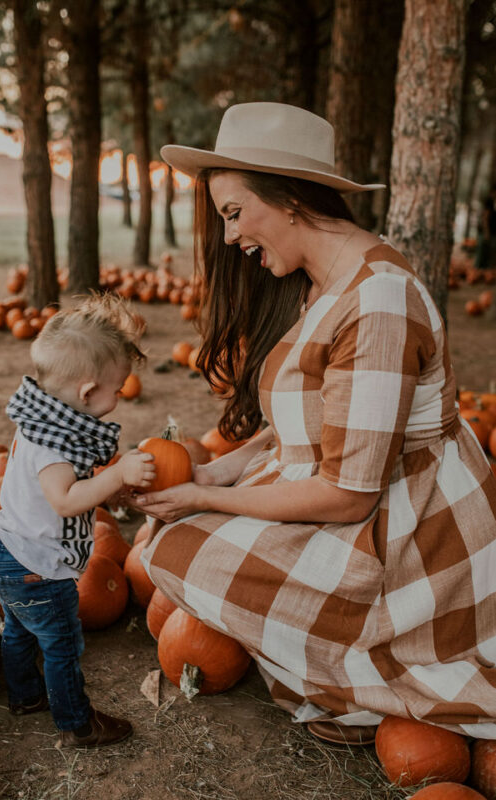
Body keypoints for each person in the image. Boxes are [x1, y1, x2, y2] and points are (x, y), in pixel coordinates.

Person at [135, 102, 496, 745]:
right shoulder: (321, 281)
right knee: (169, 538)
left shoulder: (378, 300)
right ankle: (339, 665)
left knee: (177, 544)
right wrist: (219, 467)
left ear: (291, 199)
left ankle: (371, 674)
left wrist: (199, 493)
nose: (228, 238)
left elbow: (349, 493)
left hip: (402, 532)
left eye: (234, 213)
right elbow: (320, 419)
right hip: (349, 497)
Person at [0, 294, 156, 748]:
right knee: (61, 647)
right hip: (41, 571)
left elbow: (71, 487)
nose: (120, 396)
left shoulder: (38, 421)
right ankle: (77, 723)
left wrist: (110, 484)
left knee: (19, 632)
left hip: (7, 556)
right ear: (86, 392)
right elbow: (64, 500)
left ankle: (23, 697)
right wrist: (118, 473)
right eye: (118, 388)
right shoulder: (55, 444)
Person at [474, 184, 496, 271]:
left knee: (490, 251)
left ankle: (486, 270)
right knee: (481, 251)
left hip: (493, 232)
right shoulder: (488, 202)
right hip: (485, 231)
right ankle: (477, 269)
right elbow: (485, 218)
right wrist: (486, 231)